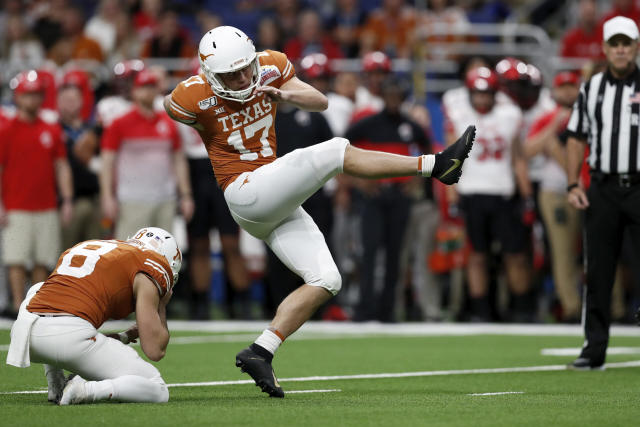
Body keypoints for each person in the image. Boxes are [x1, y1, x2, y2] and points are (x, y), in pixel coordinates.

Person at [164, 25, 475, 397]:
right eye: (231, 74)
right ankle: (436, 165)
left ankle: (261, 350)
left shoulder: (271, 66)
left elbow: (319, 101)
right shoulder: (191, 95)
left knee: (327, 279)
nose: (243, 78)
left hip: (273, 196)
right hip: (244, 190)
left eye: (246, 68)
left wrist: (285, 93)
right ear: (209, 74)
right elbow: (174, 108)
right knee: (333, 151)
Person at [6, 227, 181, 405]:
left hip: (25, 334)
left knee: (39, 288)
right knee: (157, 388)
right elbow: (155, 349)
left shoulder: (94, 245)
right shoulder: (151, 264)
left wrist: (125, 336)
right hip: (69, 338)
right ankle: (85, 390)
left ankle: (55, 382)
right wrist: (162, 305)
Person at [566, 16, 640, 370]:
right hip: (604, 187)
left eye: (627, 42)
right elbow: (576, 137)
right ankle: (594, 348)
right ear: (606, 48)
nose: (621, 49)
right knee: (597, 270)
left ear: (636, 46)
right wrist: (573, 183)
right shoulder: (591, 87)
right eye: (615, 43)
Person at [445, 66, 531, 322]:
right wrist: (451, 196)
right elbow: (451, 159)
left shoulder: (510, 115)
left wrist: (526, 195)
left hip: (503, 193)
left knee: (515, 254)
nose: (482, 99)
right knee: (477, 255)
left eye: (487, 94)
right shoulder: (459, 115)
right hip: (471, 193)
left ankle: (522, 309)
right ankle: (480, 310)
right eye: (477, 94)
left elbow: (518, 158)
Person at [345, 77, 430, 322]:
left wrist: (416, 180)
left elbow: (428, 150)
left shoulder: (411, 126)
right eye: (389, 96)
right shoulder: (368, 124)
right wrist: (358, 180)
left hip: (399, 195)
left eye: (397, 96)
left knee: (395, 253)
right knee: (369, 252)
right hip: (374, 195)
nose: (393, 101)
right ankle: (365, 308)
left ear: (403, 99)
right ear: (383, 97)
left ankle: (387, 310)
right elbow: (341, 149)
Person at [0, 70, 73, 317]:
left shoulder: (51, 129)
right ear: (18, 97)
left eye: (36, 94)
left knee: (43, 259)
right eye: (28, 94)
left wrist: (67, 200)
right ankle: (20, 305)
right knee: (17, 259)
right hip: (16, 205)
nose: (33, 100)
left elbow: (61, 166)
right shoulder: (6, 129)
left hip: (46, 205)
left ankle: (36, 305)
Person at [100, 68, 194, 240]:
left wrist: (186, 195)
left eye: (152, 86)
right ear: (134, 91)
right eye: (144, 86)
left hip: (165, 198)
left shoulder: (168, 122)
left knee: (163, 254)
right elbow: (107, 162)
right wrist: (107, 197)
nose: (149, 91)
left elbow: (179, 161)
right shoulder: (120, 123)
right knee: (130, 252)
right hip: (132, 199)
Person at [523, 71, 583, 322]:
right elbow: (529, 150)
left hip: (592, 189)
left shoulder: (591, 115)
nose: (568, 92)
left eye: (572, 87)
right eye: (563, 87)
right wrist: (554, 125)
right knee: (562, 252)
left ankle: (612, 308)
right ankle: (571, 307)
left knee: (597, 252)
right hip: (556, 191)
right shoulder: (547, 117)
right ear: (555, 92)